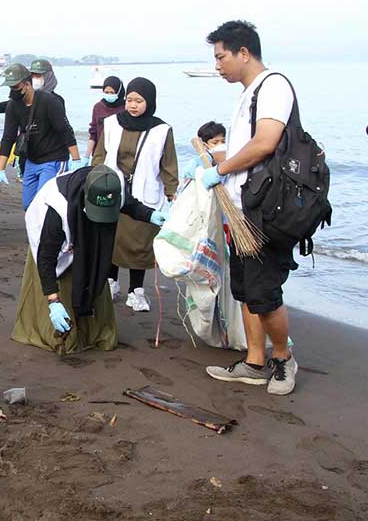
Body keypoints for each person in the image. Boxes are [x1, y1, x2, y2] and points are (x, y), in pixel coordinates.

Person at [198, 20, 299, 395]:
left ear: (244, 53)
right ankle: (255, 362)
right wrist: (216, 161)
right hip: (241, 211)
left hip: (264, 212)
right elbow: (246, 147)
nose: (218, 65)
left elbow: (266, 143)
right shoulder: (248, 93)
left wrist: (220, 169)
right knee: (243, 289)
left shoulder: (273, 86)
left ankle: (284, 358)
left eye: (221, 56)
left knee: (264, 292)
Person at [12, 165, 167, 353]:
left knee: (100, 319)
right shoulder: (55, 206)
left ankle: (93, 328)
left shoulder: (113, 186)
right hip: (53, 246)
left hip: (91, 239)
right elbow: (46, 258)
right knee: (62, 332)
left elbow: (129, 204)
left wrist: (150, 215)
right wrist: (54, 302)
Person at [91, 77, 178, 311]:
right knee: (111, 239)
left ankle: (136, 290)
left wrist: (173, 195)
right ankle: (111, 282)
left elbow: (168, 166)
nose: (133, 105)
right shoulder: (111, 123)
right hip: (113, 192)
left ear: (149, 102)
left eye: (139, 101)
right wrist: (93, 180)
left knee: (140, 245)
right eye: (129, 99)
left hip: (145, 195)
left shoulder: (161, 130)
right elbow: (100, 156)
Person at [0, 63, 82, 209]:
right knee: (28, 205)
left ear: (27, 85)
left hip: (54, 158)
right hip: (32, 160)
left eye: (16, 87)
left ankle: (50, 231)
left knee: (45, 202)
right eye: (10, 88)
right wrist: (1, 169)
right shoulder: (12, 106)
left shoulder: (49, 101)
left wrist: (77, 159)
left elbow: (65, 130)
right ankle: (39, 230)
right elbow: (8, 138)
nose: (13, 92)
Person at [85, 76, 125, 159]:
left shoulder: (126, 108)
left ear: (119, 92)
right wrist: (86, 156)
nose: (109, 95)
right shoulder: (98, 107)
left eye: (112, 92)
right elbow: (93, 133)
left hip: (119, 154)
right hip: (100, 154)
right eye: (106, 92)